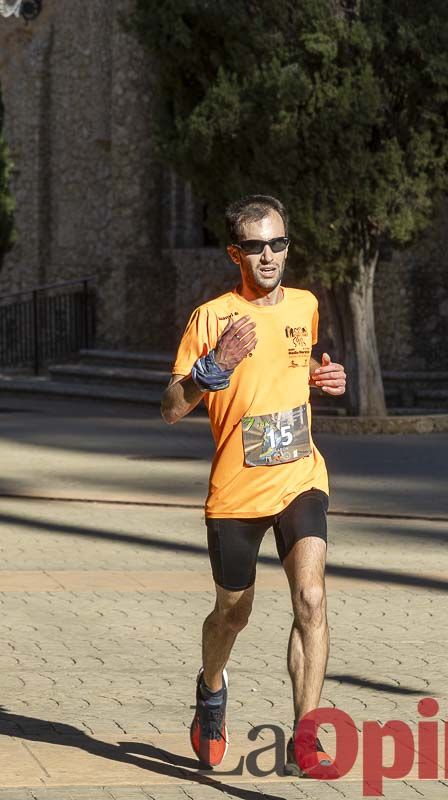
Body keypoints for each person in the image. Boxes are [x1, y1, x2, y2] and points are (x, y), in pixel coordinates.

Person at [161, 194, 347, 776]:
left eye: (279, 243)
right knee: (232, 614)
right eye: (256, 246)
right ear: (234, 253)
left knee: (311, 599)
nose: (270, 256)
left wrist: (326, 378)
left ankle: (307, 735)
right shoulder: (210, 317)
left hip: (300, 478)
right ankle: (211, 690)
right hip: (236, 493)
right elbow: (170, 407)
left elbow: (302, 369)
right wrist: (212, 366)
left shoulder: (308, 306)